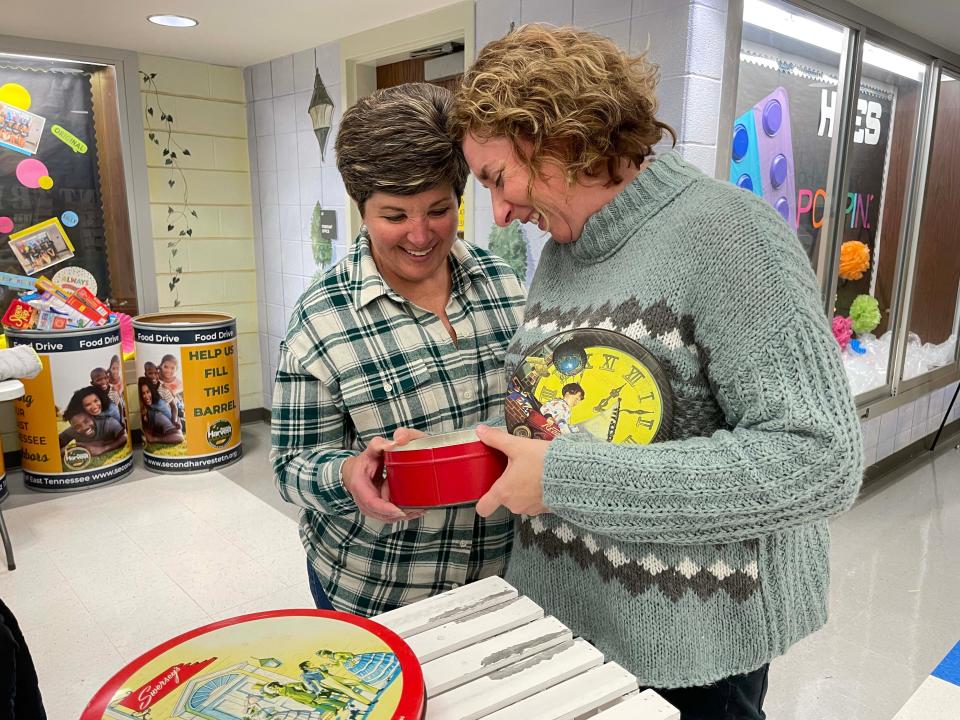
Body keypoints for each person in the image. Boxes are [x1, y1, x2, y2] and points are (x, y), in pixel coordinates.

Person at [448, 25, 864, 719]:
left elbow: (820, 459)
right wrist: (466, 452)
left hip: (687, 655)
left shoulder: (730, 235)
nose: (499, 210)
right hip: (563, 626)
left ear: (564, 138)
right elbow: (572, 416)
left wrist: (561, 479)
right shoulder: (562, 251)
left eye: (498, 178)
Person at [271, 82, 526, 616]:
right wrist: (346, 474)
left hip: (504, 577)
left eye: (438, 210)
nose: (419, 235)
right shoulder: (321, 319)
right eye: (394, 216)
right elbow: (290, 465)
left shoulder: (503, 284)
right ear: (362, 209)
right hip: (381, 588)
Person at [138, 377, 184, 445]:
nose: (146, 396)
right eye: (143, 393)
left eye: (148, 392)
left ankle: (160, 436)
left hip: (170, 420)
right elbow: (179, 438)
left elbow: (173, 407)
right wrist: (155, 439)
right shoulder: (153, 414)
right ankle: (155, 439)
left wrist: (175, 420)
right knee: (179, 436)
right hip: (161, 421)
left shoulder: (160, 398)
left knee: (183, 424)